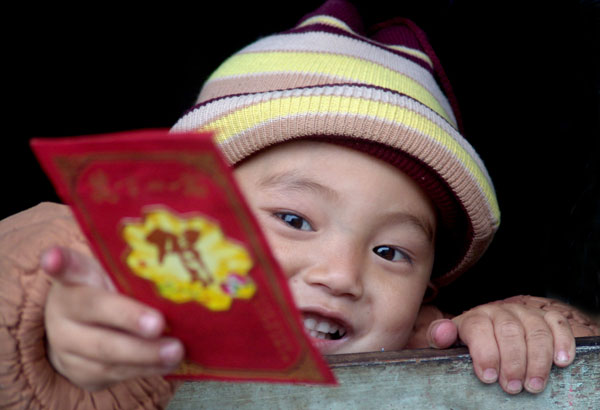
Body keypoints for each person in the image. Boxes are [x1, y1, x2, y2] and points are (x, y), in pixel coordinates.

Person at [1, 0, 598, 408]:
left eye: (391, 252)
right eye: (293, 219)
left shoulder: (437, 349)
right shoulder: (115, 319)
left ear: (426, 296)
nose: (340, 275)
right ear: (182, 227)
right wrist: (54, 330)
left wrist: (525, 337)